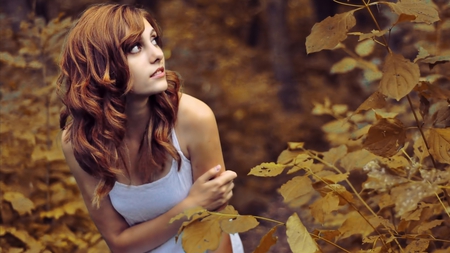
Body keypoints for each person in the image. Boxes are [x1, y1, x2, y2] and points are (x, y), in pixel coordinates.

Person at [57, 3, 243, 253]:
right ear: (102, 65)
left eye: (154, 40)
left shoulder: (193, 118)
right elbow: (119, 243)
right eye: (136, 47)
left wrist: (202, 206)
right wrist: (192, 205)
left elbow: (217, 227)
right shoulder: (80, 142)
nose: (157, 54)